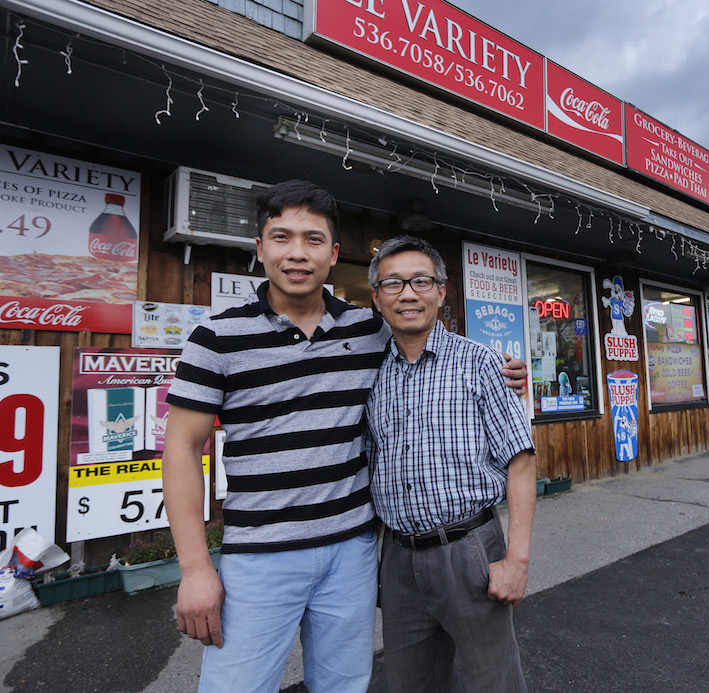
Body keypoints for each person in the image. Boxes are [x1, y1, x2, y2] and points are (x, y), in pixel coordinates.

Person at [162, 181, 526, 693]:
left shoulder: (367, 330)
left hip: (352, 553)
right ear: (260, 247)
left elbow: (425, 342)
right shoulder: (215, 339)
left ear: (333, 255)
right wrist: (195, 569)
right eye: (281, 237)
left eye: (313, 239)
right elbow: (180, 449)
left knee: (344, 686)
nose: (296, 253)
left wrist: (502, 369)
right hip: (260, 558)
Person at [365, 235, 536, 693]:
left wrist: (516, 560)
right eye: (393, 284)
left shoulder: (480, 363)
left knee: (492, 682)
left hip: (469, 549)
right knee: (411, 683)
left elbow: (520, 460)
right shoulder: (370, 373)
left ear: (442, 291)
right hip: (398, 558)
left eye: (421, 281)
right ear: (377, 299)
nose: (407, 293)